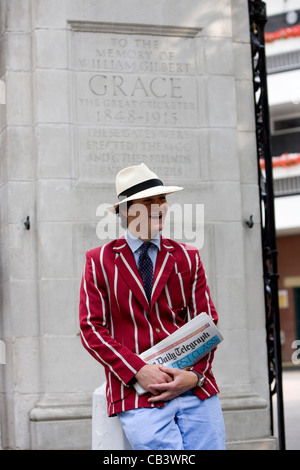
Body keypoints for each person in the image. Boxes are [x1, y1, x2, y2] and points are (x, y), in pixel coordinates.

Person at [79, 163, 225, 450]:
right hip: (137, 391)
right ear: (127, 210)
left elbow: (207, 323)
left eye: (162, 199)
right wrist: (138, 371)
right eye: (149, 201)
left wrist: (194, 375)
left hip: (195, 387)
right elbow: (90, 329)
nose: (160, 206)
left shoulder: (188, 257)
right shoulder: (99, 260)